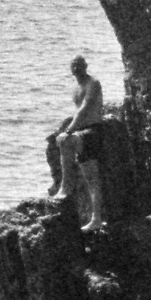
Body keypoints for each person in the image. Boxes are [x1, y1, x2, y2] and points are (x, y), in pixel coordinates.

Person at [45, 55, 109, 230]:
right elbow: (76, 112)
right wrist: (65, 128)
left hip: (93, 131)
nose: (76, 68)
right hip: (81, 132)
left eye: (79, 65)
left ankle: (68, 188)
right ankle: (67, 187)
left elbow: (84, 110)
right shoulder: (75, 86)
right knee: (89, 176)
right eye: (73, 65)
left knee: (92, 177)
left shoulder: (93, 84)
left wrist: (68, 131)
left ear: (86, 66)